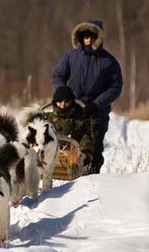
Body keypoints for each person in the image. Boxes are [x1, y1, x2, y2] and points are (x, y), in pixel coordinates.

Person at [51, 20, 123, 173]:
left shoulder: (109, 62)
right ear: (80, 37)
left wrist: (97, 104)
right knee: (71, 149)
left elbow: (116, 87)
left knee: (93, 152)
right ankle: (70, 182)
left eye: (91, 36)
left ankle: (91, 181)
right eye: (85, 36)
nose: (88, 39)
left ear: (98, 37)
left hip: (97, 115)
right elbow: (58, 75)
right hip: (74, 112)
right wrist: (62, 92)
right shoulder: (71, 56)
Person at [46, 86, 94, 169]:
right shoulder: (47, 119)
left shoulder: (79, 120)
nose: (63, 104)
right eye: (60, 101)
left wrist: (86, 152)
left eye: (66, 101)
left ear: (71, 102)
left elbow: (85, 137)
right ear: (55, 102)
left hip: (72, 159)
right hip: (49, 157)